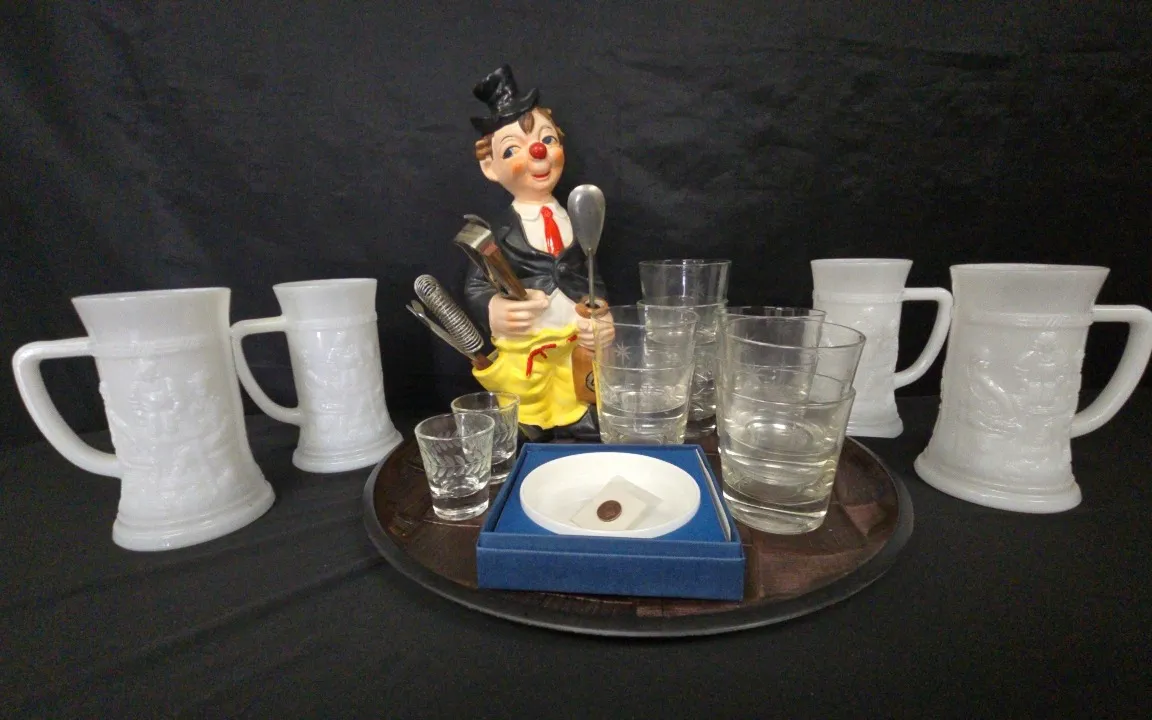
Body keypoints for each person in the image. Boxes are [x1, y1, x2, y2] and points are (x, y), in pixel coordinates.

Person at [463, 64, 609, 440]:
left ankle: (576, 413)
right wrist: (495, 308)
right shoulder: (497, 231)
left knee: (576, 383)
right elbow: (477, 286)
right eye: (513, 149)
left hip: (574, 345)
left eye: (547, 139)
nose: (538, 151)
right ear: (490, 167)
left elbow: (590, 274)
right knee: (527, 386)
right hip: (528, 345)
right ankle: (529, 421)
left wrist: (601, 312)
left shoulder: (580, 218)